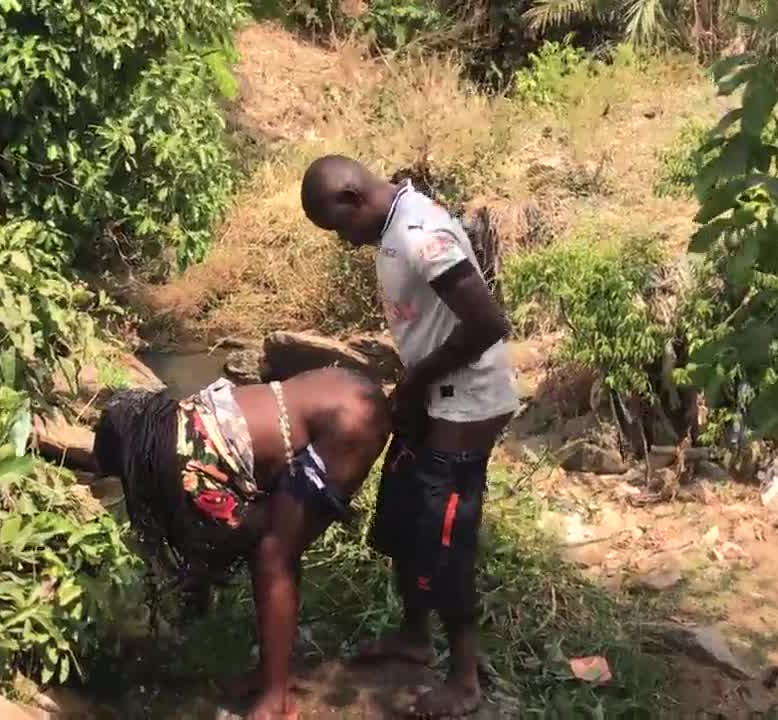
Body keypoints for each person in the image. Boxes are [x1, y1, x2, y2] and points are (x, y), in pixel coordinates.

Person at [300, 154, 519, 717]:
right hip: (434, 395)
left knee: (444, 534)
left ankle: (464, 680)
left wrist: (415, 380)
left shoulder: (420, 234)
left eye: (341, 228)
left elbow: (487, 323)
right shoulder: (394, 228)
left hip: (466, 402)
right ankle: (414, 636)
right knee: (402, 511)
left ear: (353, 199)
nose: (346, 242)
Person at [92, 367, 391, 720]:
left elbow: (249, 530)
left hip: (345, 426)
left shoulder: (184, 464)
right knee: (277, 548)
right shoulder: (179, 421)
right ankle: (271, 674)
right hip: (342, 390)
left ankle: (276, 700)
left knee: (272, 556)